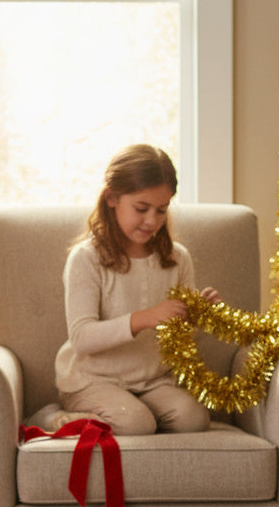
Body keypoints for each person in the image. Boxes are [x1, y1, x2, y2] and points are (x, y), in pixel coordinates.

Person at [45, 144, 219, 436]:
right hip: (93, 380)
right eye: (141, 208)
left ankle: (137, 412)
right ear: (112, 198)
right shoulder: (86, 258)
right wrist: (144, 318)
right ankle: (53, 418)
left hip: (153, 380)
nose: (152, 221)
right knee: (136, 423)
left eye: (161, 210)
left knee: (193, 419)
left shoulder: (178, 259)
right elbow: (82, 338)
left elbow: (181, 339)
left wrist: (199, 317)